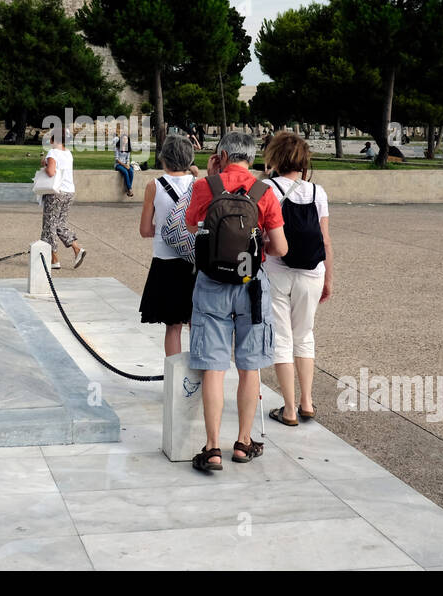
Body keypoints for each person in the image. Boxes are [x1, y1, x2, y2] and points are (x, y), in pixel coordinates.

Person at [185, 131, 288, 473]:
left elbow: (190, 226)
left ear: (223, 155)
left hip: (212, 283)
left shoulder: (205, 187)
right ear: (252, 157)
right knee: (249, 365)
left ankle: (212, 447)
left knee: (213, 367)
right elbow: (281, 247)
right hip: (251, 286)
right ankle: (243, 443)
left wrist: (213, 176)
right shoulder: (264, 191)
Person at [262, 132, 332, 427]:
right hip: (312, 272)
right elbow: (326, 240)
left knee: (281, 338)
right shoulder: (317, 192)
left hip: (277, 269)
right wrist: (329, 276)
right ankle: (307, 402)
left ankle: (288, 408)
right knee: (305, 335)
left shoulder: (266, 188)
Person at [137, 134, 197, 356]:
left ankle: (174, 380)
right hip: (193, 259)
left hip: (165, 258)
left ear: (164, 157)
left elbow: (145, 230)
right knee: (195, 322)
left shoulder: (154, 185)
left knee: (173, 327)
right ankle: (202, 377)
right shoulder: (198, 185)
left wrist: (164, 230)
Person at [40, 128, 86, 269]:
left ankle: (54, 260)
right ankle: (77, 248)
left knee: (49, 226)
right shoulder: (68, 153)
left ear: (54, 140)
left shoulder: (52, 152)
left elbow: (51, 172)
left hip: (56, 193)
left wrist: (45, 163)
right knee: (60, 224)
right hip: (69, 192)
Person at [113, 130, 135, 197]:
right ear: (121, 140)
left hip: (126, 164)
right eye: (123, 139)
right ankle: (129, 189)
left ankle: (128, 189)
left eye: (126, 139)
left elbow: (128, 158)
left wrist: (128, 164)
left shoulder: (128, 148)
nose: (125, 140)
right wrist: (125, 165)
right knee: (125, 172)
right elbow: (117, 159)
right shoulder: (117, 148)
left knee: (131, 171)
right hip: (118, 165)